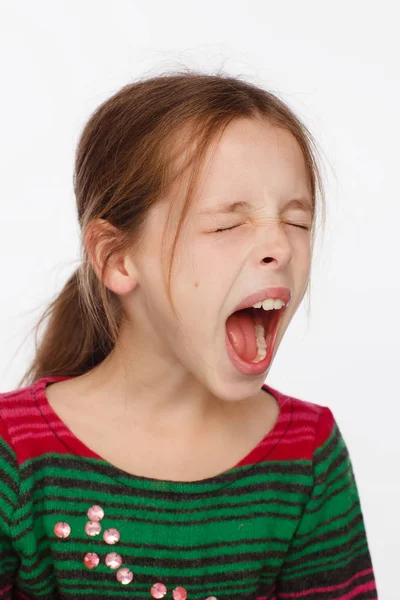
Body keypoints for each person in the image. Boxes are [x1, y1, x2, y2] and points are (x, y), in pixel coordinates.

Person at [0, 70, 378, 599]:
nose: (282, 248)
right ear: (116, 258)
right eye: (228, 224)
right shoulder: (12, 452)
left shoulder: (308, 457)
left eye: (296, 222)